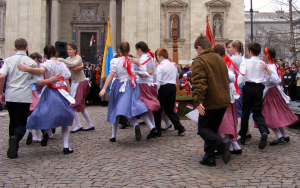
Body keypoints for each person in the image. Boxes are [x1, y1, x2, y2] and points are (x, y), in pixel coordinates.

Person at [17, 45, 75, 154]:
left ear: (45, 55)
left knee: (43, 113)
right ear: (56, 53)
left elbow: (41, 71)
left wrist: (28, 69)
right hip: (63, 93)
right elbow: (67, 81)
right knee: (65, 119)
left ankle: (42, 132)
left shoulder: (47, 63)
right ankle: (66, 146)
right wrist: (69, 96)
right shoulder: (62, 64)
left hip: (51, 92)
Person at [191, 34, 231, 167]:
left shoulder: (200, 60)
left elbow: (199, 82)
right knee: (211, 130)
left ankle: (221, 144)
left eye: (196, 49)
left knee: (203, 129)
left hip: (210, 101)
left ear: (199, 47)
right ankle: (209, 157)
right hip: (223, 100)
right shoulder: (220, 60)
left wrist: (198, 101)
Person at [99, 41, 148, 142]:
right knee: (127, 108)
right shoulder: (132, 61)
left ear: (119, 50)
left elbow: (111, 74)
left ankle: (113, 135)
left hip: (118, 86)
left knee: (115, 109)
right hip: (130, 86)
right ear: (129, 50)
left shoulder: (115, 61)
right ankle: (135, 125)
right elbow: (142, 72)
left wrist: (104, 88)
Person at [0, 38, 39, 159]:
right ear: (27, 48)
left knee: (13, 121)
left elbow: (1, 76)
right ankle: (15, 138)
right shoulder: (31, 62)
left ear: (14, 48)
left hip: (11, 94)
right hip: (24, 94)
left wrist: (1, 92)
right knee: (21, 121)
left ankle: (13, 145)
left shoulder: (8, 60)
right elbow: (37, 79)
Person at [258, 47, 297, 145]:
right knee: (275, 115)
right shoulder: (270, 65)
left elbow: (276, 80)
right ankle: (284, 135)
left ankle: (279, 136)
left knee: (269, 116)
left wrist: (266, 69)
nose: (262, 55)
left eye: (263, 54)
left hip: (271, 93)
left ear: (267, 55)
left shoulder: (270, 66)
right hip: (271, 92)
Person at [237, 42, 270, 149]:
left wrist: (237, 85)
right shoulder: (262, 63)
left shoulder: (245, 62)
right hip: (259, 88)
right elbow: (266, 77)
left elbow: (242, 75)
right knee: (257, 111)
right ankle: (263, 130)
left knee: (245, 112)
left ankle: (242, 137)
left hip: (248, 87)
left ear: (250, 51)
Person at [58, 43, 95, 133]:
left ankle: (78, 125)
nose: (68, 51)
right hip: (74, 82)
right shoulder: (67, 59)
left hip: (81, 82)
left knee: (75, 104)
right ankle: (90, 124)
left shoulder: (78, 58)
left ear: (75, 50)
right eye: (67, 49)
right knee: (80, 105)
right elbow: (69, 68)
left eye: (70, 49)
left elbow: (73, 64)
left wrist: (62, 60)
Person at [214, 44, 242, 155]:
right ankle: (234, 146)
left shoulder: (225, 64)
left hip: (223, 98)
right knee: (224, 122)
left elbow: (232, 77)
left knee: (222, 122)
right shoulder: (224, 64)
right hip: (224, 97)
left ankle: (224, 145)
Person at [130, 41, 160, 140]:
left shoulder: (143, 58)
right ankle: (154, 127)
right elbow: (154, 72)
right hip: (149, 83)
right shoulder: (150, 57)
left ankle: (153, 128)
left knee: (142, 108)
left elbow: (142, 73)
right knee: (148, 109)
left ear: (139, 49)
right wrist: (155, 82)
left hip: (142, 85)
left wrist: (138, 64)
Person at [153, 49, 186, 138]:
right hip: (172, 87)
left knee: (157, 109)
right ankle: (180, 127)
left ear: (161, 57)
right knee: (169, 109)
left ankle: (158, 130)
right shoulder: (172, 65)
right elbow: (176, 75)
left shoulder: (161, 66)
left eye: (158, 57)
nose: (157, 59)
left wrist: (156, 91)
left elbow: (159, 80)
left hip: (163, 87)